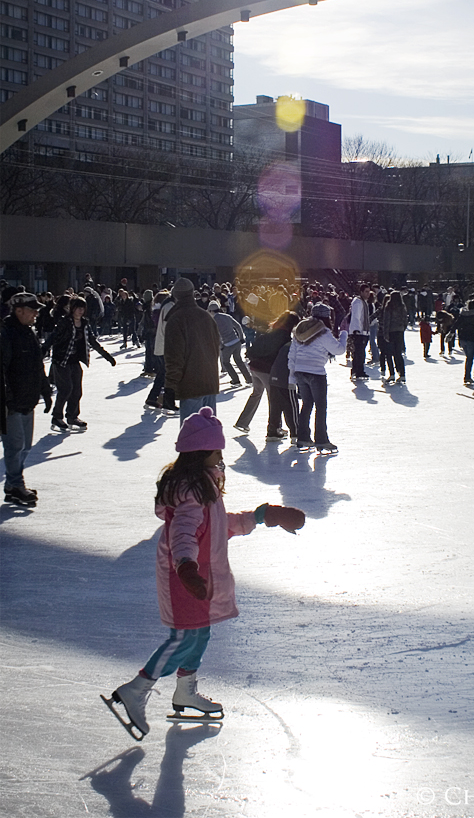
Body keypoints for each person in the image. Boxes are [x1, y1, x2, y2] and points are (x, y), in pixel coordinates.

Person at [102, 407, 305, 739]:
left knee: (200, 634)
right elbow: (182, 534)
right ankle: (136, 689)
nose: (221, 458)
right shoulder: (193, 494)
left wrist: (263, 515)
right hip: (184, 576)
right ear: (201, 454)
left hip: (197, 576)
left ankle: (185, 690)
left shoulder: (205, 486)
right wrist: (186, 568)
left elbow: (221, 527)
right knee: (183, 637)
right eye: (217, 451)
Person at [1, 293, 53, 506]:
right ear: (18, 310)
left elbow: (37, 365)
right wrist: (7, 398)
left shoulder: (29, 333)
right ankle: (15, 483)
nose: (36, 314)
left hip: (28, 398)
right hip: (11, 403)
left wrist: (45, 389)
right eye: (32, 310)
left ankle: (13, 484)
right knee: (15, 446)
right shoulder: (6, 334)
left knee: (25, 446)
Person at [50, 297, 116, 431]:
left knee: (77, 391)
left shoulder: (85, 323)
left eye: (83, 308)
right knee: (66, 389)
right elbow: (53, 337)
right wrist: (43, 350)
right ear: (72, 308)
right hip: (62, 360)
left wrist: (107, 356)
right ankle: (57, 416)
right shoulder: (65, 322)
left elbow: (92, 341)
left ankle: (72, 416)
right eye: (78, 307)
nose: (81, 311)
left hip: (74, 361)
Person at [288, 305, 347, 452]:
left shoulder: (300, 329)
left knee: (307, 404)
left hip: (300, 371)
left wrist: (292, 375)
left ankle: (303, 437)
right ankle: (321, 440)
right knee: (320, 406)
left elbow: (292, 353)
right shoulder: (323, 332)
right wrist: (344, 335)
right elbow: (339, 350)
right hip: (316, 372)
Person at [163, 278, 221, 423]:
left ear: (175, 295)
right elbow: (216, 348)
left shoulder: (176, 319)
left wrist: (170, 387)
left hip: (191, 383)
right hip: (209, 381)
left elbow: (175, 358)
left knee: (191, 435)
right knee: (209, 433)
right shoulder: (206, 316)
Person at [234, 311, 298, 434]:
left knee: (256, 394)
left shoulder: (271, 330)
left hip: (254, 367)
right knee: (274, 398)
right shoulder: (283, 336)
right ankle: (274, 428)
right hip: (266, 370)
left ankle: (243, 422)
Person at [207, 300, 251, 388]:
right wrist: (241, 337)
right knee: (238, 360)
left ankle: (235, 380)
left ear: (211, 311)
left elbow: (216, 335)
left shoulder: (213, 321)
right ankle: (249, 379)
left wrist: (221, 346)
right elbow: (237, 326)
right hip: (236, 341)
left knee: (226, 362)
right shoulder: (227, 316)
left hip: (227, 344)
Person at [452, 300, 474, 386]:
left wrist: (451, 332)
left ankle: (467, 376)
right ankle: (467, 376)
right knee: (470, 358)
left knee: (468, 357)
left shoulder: (463, 314)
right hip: (471, 338)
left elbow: (456, 324)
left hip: (462, 337)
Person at [381, 290, 408, 384]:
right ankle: (402, 374)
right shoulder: (402, 306)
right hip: (400, 331)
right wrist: (402, 328)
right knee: (398, 354)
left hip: (391, 331)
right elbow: (405, 319)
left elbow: (386, 320)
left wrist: (385, 333)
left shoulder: (389, 306)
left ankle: (392, 374)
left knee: (389, 354)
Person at [348, 283, 371, 379]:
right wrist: (356, 330)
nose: (368, 294)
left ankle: (359, 370)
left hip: (364, 331)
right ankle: (357, 370)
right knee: (358, 352)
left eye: (369, 292)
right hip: (359, 332)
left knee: (361, 352)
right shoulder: (358, 302)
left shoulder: (364, 302)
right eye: (366, 292)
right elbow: (356, 317)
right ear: (361, 292)